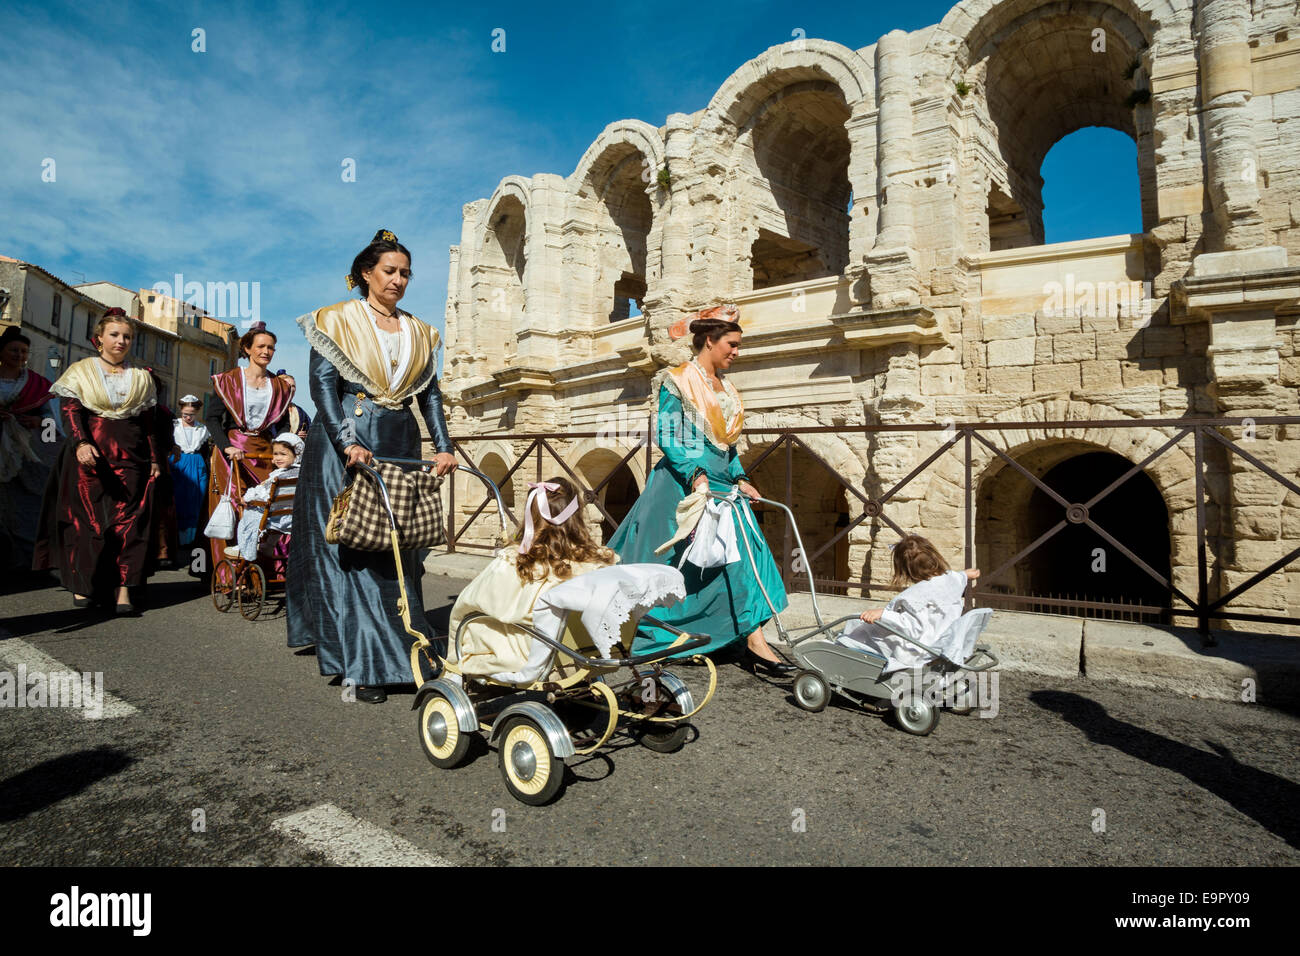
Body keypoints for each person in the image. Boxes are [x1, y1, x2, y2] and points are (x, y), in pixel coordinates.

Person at [287, 228, 457, 704]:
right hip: (348, 441)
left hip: (398, 441)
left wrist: (443, 446)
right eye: (390, 271)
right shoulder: (336, 320)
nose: (399, 280)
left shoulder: (419, 332)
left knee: (401, 550)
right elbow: (322, 386)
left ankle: (410, 649)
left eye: (406, 273)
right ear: (366, 273)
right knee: (357, 548)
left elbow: (430, 394)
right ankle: (363, 664)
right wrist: (346, 443)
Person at [608, 305, 795, 676]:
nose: (737, 352)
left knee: (745, 556)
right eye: (732, 344)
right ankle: (652, 628)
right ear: (709, 341)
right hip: (683, 482)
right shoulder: (677, 379)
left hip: (724, 482)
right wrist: (694, 473)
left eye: (738, 345)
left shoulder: (726, 387)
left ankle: (750, 637)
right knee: (671, 561)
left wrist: (740, 476)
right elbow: (667, 432)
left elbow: (727, 444)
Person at [33, 309, 165, 613]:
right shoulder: (81, 371)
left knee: (130, 523)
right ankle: (84, 584)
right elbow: (70, 411)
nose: (121, 341)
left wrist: (156, 459)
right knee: (88, 522)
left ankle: (124, 591)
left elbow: (148, 423)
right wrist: (80, 442)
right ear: (99, 339)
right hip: (91, 453)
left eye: (127, 337)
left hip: (131, 455)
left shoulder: (141, 378)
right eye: (115, 335)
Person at [448, 478, 617, 679]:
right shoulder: (600, 561)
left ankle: (456, 672)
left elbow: (468, 604)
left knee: (470, 621)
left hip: (533, 655)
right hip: (589, 650)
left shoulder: (517, 564)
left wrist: (454, 645)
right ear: (578, 515)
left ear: (532, 517)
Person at [204, 322, 294, 570]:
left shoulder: (279, 386)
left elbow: (283, 424)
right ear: (247, 348)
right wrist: (226, 447)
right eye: (261, 346)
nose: (266, 351)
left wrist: (283, 449)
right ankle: (232, 571)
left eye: (271, 348)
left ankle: (266, 567)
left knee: (268, 505)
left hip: (263, 451)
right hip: (233, 450)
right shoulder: (228, 380)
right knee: (236, 504)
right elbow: (212, 419)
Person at [839, 534, 981, 674]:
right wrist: (965, 575)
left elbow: (911, 626)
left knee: (859, 624)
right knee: (865, 625)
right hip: (940, 641)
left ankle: (844, 649)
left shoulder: (916, 594)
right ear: (934, 558)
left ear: (905, 570)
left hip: (917, 650)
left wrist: (883, 614)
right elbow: (956, 577)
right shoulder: (950, 579)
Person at [0, 326, 59, 574]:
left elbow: (52, 424)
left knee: (25, 505)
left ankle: (29, 560)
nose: (19, 354)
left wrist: (38, 424)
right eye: (14, 349)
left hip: (25, 453)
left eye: (24, 351)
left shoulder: (37, 384)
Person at [227, 432, 300, 563]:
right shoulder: (300, 475)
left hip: (272, 518)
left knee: (249, 514)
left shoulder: (278, 477)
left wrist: (246, 498)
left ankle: (245, 548)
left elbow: (261, 493)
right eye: (276, 454)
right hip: (290, 517)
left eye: (283, 454)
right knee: (270, 514)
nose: (278, 458)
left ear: (296, 456)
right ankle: (269, 546)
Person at [168, 394, 211, 549]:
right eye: (185, 414)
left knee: (195, 499)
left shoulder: (202, 429)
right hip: (178, 462)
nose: (188, 417)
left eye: (191, 415)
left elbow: (205, 449)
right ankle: (175, 537)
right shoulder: (174, 425)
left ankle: (191, 539)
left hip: (196, 462)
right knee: (178, 498)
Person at [276, 371, 312, 438]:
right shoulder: (268, 408)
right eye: (287, 385)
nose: (291, 389)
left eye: (293, 386)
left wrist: (305, 436)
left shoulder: (300, 413)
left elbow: (311, 432)